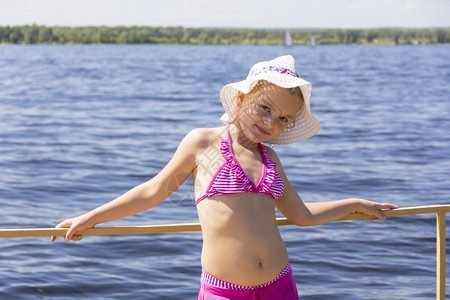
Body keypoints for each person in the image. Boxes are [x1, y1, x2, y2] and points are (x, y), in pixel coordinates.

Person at [52, 55, 398, 299]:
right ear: (244, 98)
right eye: (265, 108)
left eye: (283, 119)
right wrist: (91, 217)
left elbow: (301, 215)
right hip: (225, 291)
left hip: (280, 285)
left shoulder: (270, 159)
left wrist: (354, 203)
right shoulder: (203, 143)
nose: (271, 122)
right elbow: (154, 191)